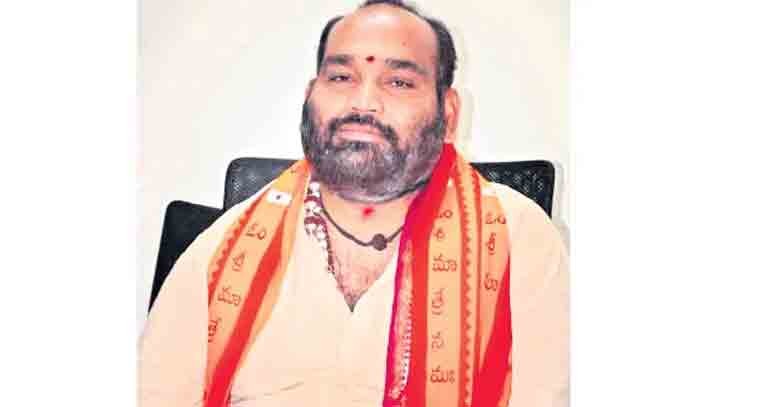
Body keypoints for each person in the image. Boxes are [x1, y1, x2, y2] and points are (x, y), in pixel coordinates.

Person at [139, 1, 568, 406]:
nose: (363, 103)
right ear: (310, 96)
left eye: (399, 82)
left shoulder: (517, 238)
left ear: (450, 114)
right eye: (342, 77)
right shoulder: (221, 250)